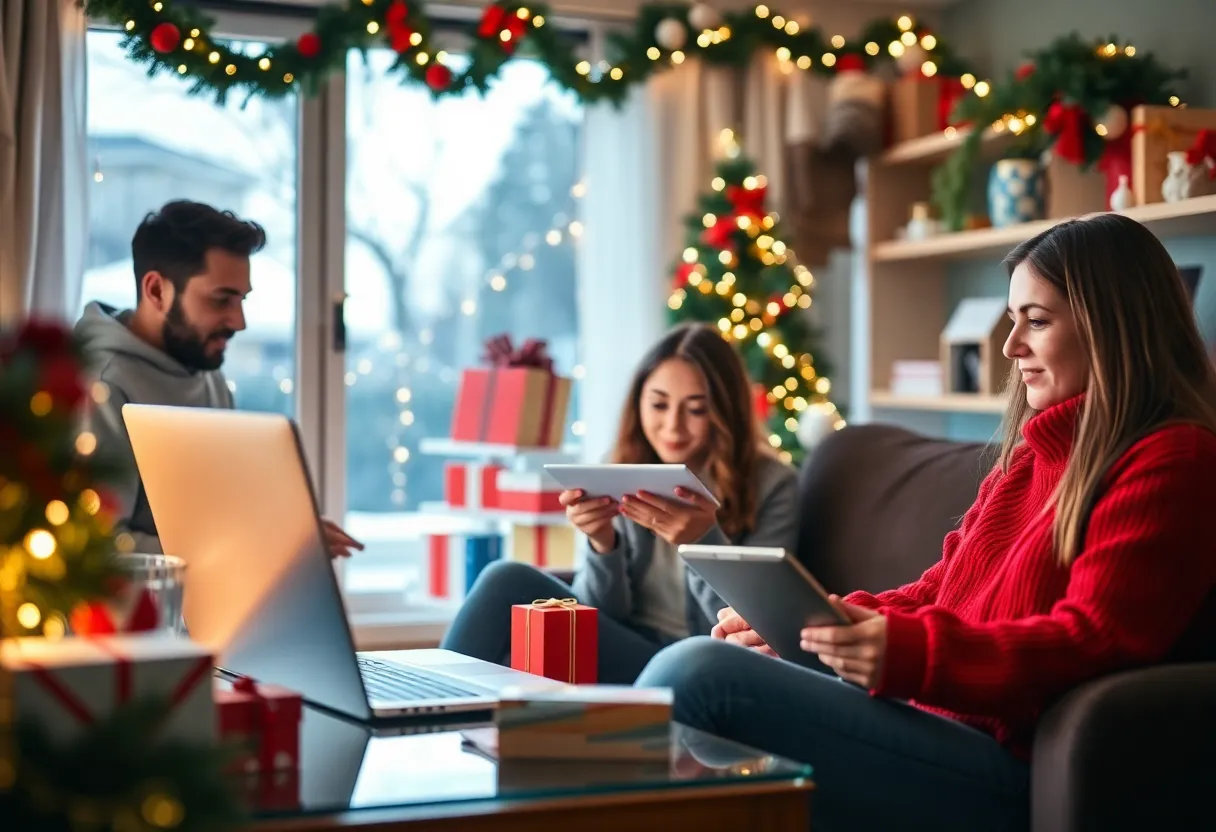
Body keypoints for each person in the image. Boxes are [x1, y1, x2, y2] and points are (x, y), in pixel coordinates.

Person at [636, 213, 1216, 832]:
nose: (1010, 346)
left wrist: (906, 654)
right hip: (936, 721)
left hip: (1007, 765)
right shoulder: (1030, 460)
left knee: (698, 673)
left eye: (1036, 321)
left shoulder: (1174, 460)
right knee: (708, 666)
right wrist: (813, 625)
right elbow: (939, 589)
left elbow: (1091, 639)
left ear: (1113, 328)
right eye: (1012, 319)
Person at [440, 322, 799, 683]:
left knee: (696, 655)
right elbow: (598, 613)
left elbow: (755, 630)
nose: (672, 427)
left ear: (725, 412)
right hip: (632, 648)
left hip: (702, 657)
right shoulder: (622, 467)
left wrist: (702, 541)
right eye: (659, 404)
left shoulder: (773, 484)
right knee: (505, 578)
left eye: (696, 410)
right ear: (638, 402)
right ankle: (428, 702)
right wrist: (602, 543)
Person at [76, 200, 363, 560]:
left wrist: (287, 533)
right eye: (221, 300)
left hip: (210, 613)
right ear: (156, 291)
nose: (239, 321)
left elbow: (218, 521)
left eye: (241, 300)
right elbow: (93, 556)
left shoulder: (207, 372)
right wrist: (259, 548)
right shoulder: (98, 385)